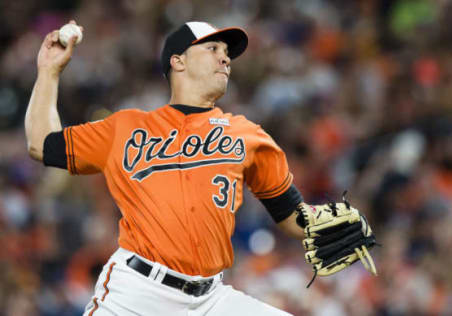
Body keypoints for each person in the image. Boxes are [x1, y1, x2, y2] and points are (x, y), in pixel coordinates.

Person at [25, 20, 306, 315]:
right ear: (178, 61)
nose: (225, 58)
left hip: (212, 299)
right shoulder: (125, 127)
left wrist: (337, 227)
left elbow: (292, 214)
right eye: (212, 48)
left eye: (226, 52)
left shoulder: (247, 135)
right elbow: (41, 143)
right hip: (137, 292)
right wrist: (49, 72)